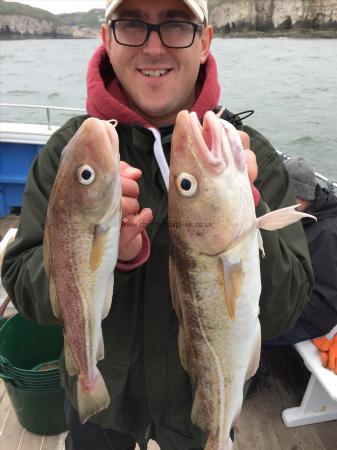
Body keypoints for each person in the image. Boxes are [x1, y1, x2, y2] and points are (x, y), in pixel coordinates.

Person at [1, 1, 314, 449]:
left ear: (205, 41)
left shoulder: (249, 157)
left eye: (175, 25)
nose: (153, 47)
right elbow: (22, 280)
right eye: (132, 25)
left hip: (199, 404)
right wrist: (110, 259)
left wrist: (249, 213)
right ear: (106, 39)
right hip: (100, 405)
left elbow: (285, 308)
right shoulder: (72, 156)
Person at [264, 156, 337, 345]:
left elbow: (323, 297)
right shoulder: (299, 216)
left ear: (305, 198)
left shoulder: (326, 233)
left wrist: (275, 311)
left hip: (311, 317)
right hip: (292, 295)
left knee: (252, 333)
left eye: (288, 198)